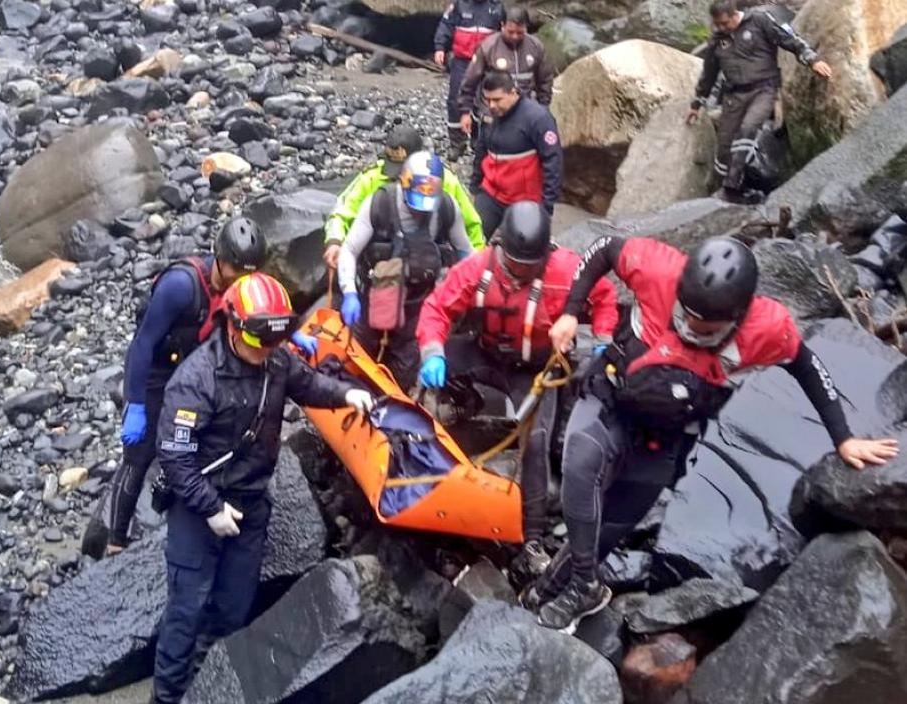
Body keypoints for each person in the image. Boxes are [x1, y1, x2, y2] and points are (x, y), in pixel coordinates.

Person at [527, 235, 899, 634]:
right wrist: (569, 312)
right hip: (610, 400)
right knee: (581, 464)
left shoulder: (767, 329)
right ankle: (584, 584)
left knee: (613, 523)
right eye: (685, 316)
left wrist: (843, 438)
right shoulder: (656, 267)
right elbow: (601, 248)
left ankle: (555, 583)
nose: (690, 329)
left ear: (737, 317)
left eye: (705, 327)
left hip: (664, 437)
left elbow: (809, 368)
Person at [150, 272, 374, 704]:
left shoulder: (276, 361)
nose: (265, 351)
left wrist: (347, 395)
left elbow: (309, 385)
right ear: (232, 327)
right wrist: (209, 507)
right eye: (258, 342)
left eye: (274, 340)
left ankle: (211, 686)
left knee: (235, 609)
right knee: (186, 611)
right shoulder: (195, 381)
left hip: (250, 506)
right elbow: (175, 458)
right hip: (199, 512)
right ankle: (166, 697)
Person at [82, 217, 312, 558]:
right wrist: (135, 404)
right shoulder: (181, 286)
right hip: (159, 371)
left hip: (197, 369)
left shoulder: (246, 285)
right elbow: (142, 344)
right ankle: (116, 540)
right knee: (140, 456)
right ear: (220, 257)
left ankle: (196, 514)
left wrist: (290, 334)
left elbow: (257, 314)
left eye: (249, 272)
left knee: (201, 442)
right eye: (235, 269)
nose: (242, 279)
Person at [414, 201, 617, 574]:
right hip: (485, 353)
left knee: (535, 440)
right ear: (502, 249)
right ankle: (458, 408)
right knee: (426, 370)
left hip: (535, 369)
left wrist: (603, 337)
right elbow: (437, 309)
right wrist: (431, 352)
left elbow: (604, 297)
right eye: (516, 264)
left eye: (530, 265)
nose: (522, 272)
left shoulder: (567, 269)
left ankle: (533, 535)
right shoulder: (479, 268)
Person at [337, 151, 476, 390]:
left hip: (418, 307)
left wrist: (469, 293)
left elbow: (467, 254)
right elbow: (349, 250)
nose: (421, 211)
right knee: (354, 364)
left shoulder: (445, 208)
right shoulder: (379, 203)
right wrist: (349, 292)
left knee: (402, 377)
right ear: (404, 182)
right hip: (373, 299)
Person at [686, 0, 832, 203]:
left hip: (764, 89)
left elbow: (789, 39)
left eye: (725, 23)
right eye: (717, 24)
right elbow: (708, 75)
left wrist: (812, 59)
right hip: (734, 95)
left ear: (734, 14)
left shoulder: (760, 20)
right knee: (724, 144)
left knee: (747, 129)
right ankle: (719, 188)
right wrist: (696, 104)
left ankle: (731, 188)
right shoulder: (717, 40)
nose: (721, 28)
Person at [323, 125, 484, 270]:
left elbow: (472, 224)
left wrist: (477, 263)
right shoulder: (371, 178)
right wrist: (335, 242)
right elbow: (341, 213)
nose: (400, 179)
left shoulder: (441, 181)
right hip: (381, 264)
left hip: (431, 260)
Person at [456, 5, 554, 189]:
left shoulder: (536, 47)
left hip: (524, 113)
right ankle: (478, 190)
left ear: (526, 28)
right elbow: (469, 81)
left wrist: (544, 109)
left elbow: (545, 81)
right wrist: (464, 112)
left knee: (522, 154)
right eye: (511, 31)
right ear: (502, 25)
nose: (515, 36)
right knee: (484, 154)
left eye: (520, 32)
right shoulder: (488, 47)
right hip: (491, 113)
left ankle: (515, 189)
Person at [474, 71, 562, 236]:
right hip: (491, 192)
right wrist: (475, 185)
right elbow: (481, 150)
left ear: (513, 92)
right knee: (472, 236)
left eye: (497, 100)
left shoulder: (538, 118)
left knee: (517, 251)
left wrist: (546, 209)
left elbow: (553, 162)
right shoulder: (489, 115)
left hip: (523, 201)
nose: (491, 105)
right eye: (488, 99)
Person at [434, 0, 505, 160]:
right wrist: (440, 47)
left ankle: (477, 139)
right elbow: (445, 25)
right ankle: (457, 143)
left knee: (484, 101)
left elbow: (505, 33)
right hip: (462, 60)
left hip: (487, 62)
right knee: (455, 99)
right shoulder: (459, 5)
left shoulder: (496, 7)